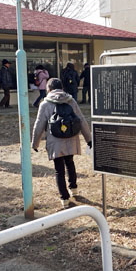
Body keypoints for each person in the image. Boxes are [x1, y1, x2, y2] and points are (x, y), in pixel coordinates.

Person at [31, 78, 91, 207]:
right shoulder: (71, 100)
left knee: (59, 170)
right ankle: (74, 188)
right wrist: (89, 139)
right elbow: (81, 119)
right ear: (62, 87)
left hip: (55, 140)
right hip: (71, 137)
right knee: (70, 162)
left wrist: (35, 143)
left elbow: (39, 124)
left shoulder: (45, 104)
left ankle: (64, 198)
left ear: (48, 89)